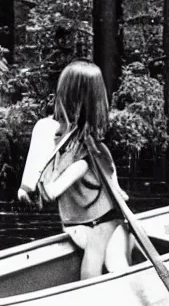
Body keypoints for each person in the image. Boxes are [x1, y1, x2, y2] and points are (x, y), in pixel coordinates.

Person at [17, 60, 132, 280]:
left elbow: (37, 192)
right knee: (110, 258)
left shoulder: (95, 150)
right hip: (83, 224)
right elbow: (120, 194)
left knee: (112, 260)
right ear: (98, 100)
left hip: (99, 223)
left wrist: (31, 191)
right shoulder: (56, 135)